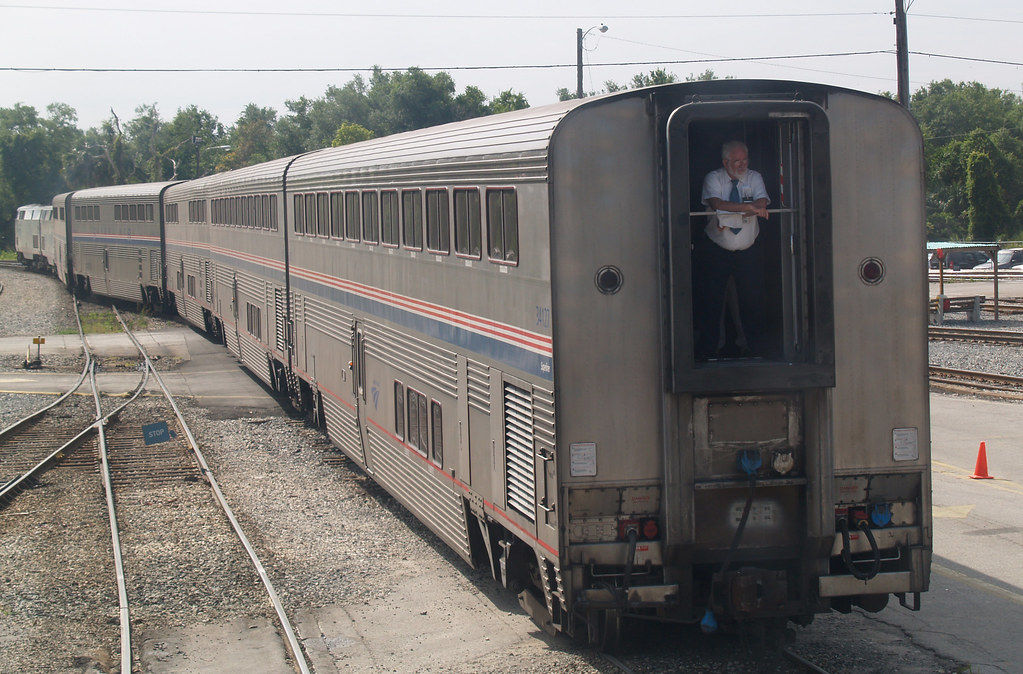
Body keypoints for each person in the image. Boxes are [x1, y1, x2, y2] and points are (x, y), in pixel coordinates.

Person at [694, 140, 771, 359]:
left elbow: (762, 201)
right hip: (716, 250)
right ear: (725, 162)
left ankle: (752, 347)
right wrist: (748, 208)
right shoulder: (713, 178)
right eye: (736, 161)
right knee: (712, 300)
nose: (742, 164)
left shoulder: (754, 177)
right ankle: (711, 349)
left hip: (748, 251)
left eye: (745, 160)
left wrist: (729, 217)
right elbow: (717, 203)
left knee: (751, 300)